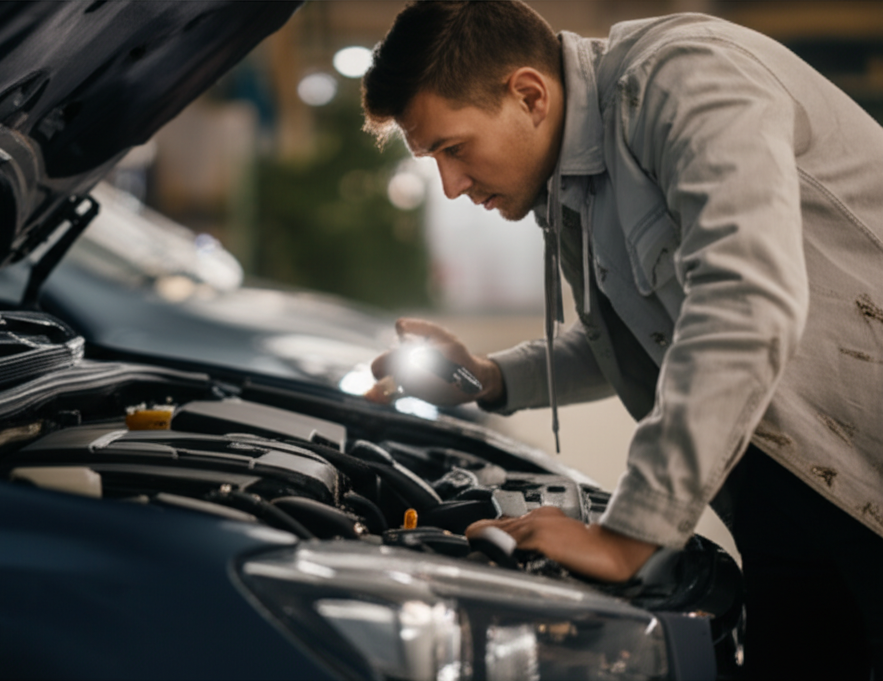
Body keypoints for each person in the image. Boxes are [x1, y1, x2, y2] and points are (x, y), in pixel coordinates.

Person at [360, 2, 883, 678]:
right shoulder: (572, 178)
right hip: (789, 491)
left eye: (453, 148)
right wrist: (489, 377)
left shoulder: (687, 81)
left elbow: (743, 301)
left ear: (529, 94)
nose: (451, 185)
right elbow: (634, 339)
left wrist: (628, 535)